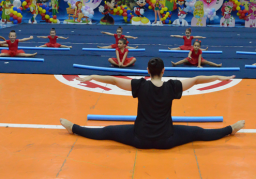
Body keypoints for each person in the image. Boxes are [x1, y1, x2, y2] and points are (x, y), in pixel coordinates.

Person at [60, 57, 245, 149]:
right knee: (198, 132)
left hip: (139, 138)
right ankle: (231, 129)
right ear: (163, 71)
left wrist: (92, 76)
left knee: (107, 131)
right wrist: (221, 77)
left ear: (148, 71)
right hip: (167, 139)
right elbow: (197, 79)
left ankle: (73, 127)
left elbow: (114, 80)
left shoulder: (140, 85)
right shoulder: (172, 87)